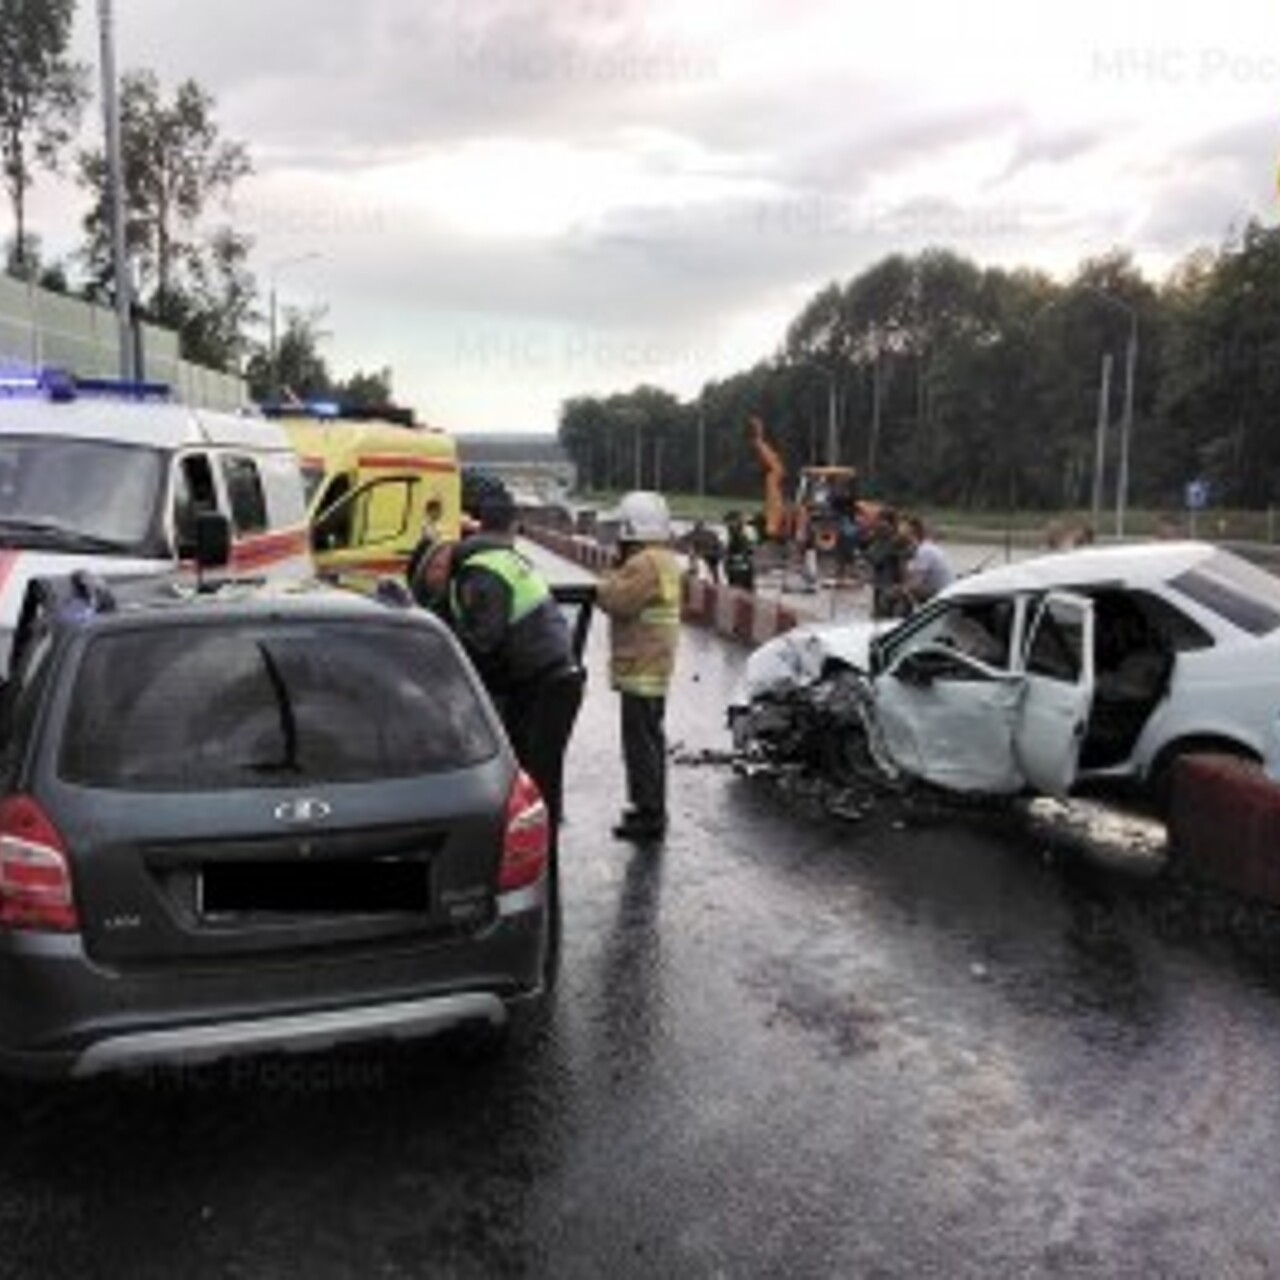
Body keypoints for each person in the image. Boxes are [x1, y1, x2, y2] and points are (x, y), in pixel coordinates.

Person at [411, 476, 583, 832]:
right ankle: (537, 841)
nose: (437, 576)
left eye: (436, 569)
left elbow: (483, 642)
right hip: (550, 678)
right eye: (430, 576)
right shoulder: (488, 564)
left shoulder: (480, 573)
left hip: (545, 684)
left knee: (531, 775)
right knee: (536, 771)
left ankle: (535, 858)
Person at [596, 490, 681, 843]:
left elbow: (617, 600)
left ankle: (649, 815)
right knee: (649, 740)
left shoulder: (644, 563)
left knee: (641, 744)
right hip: (653, 665)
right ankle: (649, 807)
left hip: (642, 667)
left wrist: (604, 580)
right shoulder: (664, 559)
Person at [900, 515, 954, 609]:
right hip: (939, 591)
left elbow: (916, 583)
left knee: (896, 594)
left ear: (913, 534)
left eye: (905, 534)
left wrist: (901, 589)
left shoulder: (925, 551)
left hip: (941, 595)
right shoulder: (927, 547)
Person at [865, 506, 908, 619]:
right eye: (878, 520)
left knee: (886, 618)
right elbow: (870, 556)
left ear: (890, 523)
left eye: (881, 521)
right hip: (880, 583)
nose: (878, 524)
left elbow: (877, 558)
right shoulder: (879, 538)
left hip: (892, 586)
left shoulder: (897, 540)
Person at [723, 510, 756, 592]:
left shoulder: (743, 535)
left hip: (741, 567)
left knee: (742, 589)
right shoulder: (735, 535)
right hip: (737, 567)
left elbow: (749, 550)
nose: (729, 525)